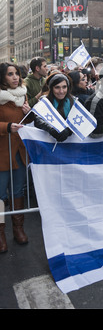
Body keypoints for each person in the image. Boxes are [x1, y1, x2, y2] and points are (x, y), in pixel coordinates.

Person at [0, 63, 32, 252]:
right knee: (1, 194)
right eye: (10, 74)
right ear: (2, 78)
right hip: (2, 152)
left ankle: (18, 229)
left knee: (18, 190)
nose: (15, 77)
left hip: (19, 151)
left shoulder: (23, 95)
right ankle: (1, 234)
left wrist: (29, 114)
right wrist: (6, 127)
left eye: (17, 74)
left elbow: (26, 123)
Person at [34, 72, 73, 143]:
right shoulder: (45, 101)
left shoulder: (73, 101)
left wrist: (69, 130)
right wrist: (52, 129)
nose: (61, 91)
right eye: (57, 87)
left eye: (64, 87)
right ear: (51, 88)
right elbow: (38, 120)